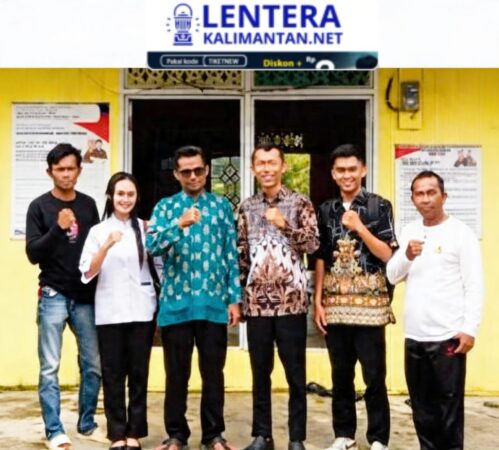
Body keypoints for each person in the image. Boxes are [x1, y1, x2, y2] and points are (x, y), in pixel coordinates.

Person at [146, 145, 242, 450]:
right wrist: (179, 224)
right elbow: (152, 245)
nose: (193, 176)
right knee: (176, 375)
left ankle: (213, 434)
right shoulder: (166, 207)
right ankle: (176, 434)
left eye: (198, 170)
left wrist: (234, 299)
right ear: (176, 174)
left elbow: (230, 254)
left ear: (207, 171)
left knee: (213, 374)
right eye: (186, 171)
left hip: (213, 303)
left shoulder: (221, 206)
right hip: (177, 304)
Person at [386, 171, 483, 450]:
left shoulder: (461, 233)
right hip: (415, 335)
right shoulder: (409, 231)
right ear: (413, 199)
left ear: (444, 196)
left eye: (431, 192)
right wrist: (407, 255)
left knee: (448, 410)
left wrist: (469, 329)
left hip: (448, 337)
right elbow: (392, 275)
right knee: (421, 409)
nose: (425, 199)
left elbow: (474, 285)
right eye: (419, 193)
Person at [314, 144, 398, 450]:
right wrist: (317, 301)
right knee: (341, 374)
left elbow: (387, 254)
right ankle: (344, 435)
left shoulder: (379, 206)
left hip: (370, 305)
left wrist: (360, 227)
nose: (347, 175)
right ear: (333, 174)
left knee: (374, 375)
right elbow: (321, 256)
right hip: (335, 304)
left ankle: (378, 438)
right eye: (341, 170)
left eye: (352, 169)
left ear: (363, 170)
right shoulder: (326, 209)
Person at [238, 144, 319, 450]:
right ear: (253, 169)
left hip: (291, 303)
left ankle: (296, 438)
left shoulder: (300, 203)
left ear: (283, 166)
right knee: (260, 373)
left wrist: (286, 226)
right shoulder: (247, 207)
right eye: (261, 163)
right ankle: (262, 436)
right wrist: (239, 298)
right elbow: (241, 255)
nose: (267, 168)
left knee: (295, 374)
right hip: (257, 304)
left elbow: (312, 245)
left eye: (272, 163)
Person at [25, 143, 103, 450]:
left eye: (71, 168)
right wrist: (58, 229)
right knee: (50, 367)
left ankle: (87, 423)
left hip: (85, 296)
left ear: (79, 170)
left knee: (93, 364)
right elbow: (33, 253)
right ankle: (54, 431)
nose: (66, 174)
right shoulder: (39, 207)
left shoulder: (88, 205)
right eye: (60, 169)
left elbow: (95, 249)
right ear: (50, 172)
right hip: (53, 294)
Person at [79, 172, 157, 450]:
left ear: (137, 197)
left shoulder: (146, 228)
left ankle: (135, 432)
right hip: (110, 312)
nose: (125, 199)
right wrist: (107, 245)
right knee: (112, 374)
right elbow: (87, 272)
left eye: (130, 194)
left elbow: (159, 266)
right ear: (111, 197)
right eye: (120, 194)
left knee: (138, 373)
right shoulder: (98, 231)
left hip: (142, 310)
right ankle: (117, 434)